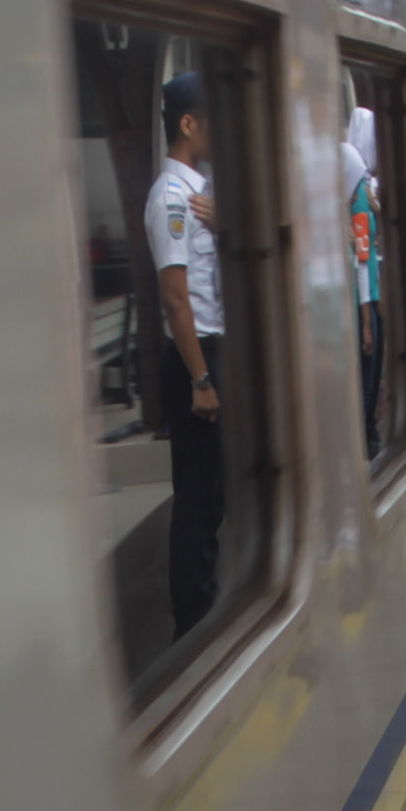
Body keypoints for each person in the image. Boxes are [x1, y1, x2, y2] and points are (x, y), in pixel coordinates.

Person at [141, 68, 231, 639]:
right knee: (197, 499)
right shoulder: (170, 198)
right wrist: (201, 377)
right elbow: (176, 298)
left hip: (210, 351)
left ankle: (205, 597)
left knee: (214, 490)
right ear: (188, 123)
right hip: (192, 359)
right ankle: (191, 620)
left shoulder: (202, 193)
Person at [346, 101, 385, 452]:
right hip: (366, 299)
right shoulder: (359, 193)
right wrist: (367, 320)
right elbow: (361, 256)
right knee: (368, 372)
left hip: (371, 294)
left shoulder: (363, 189)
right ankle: (367, 436)